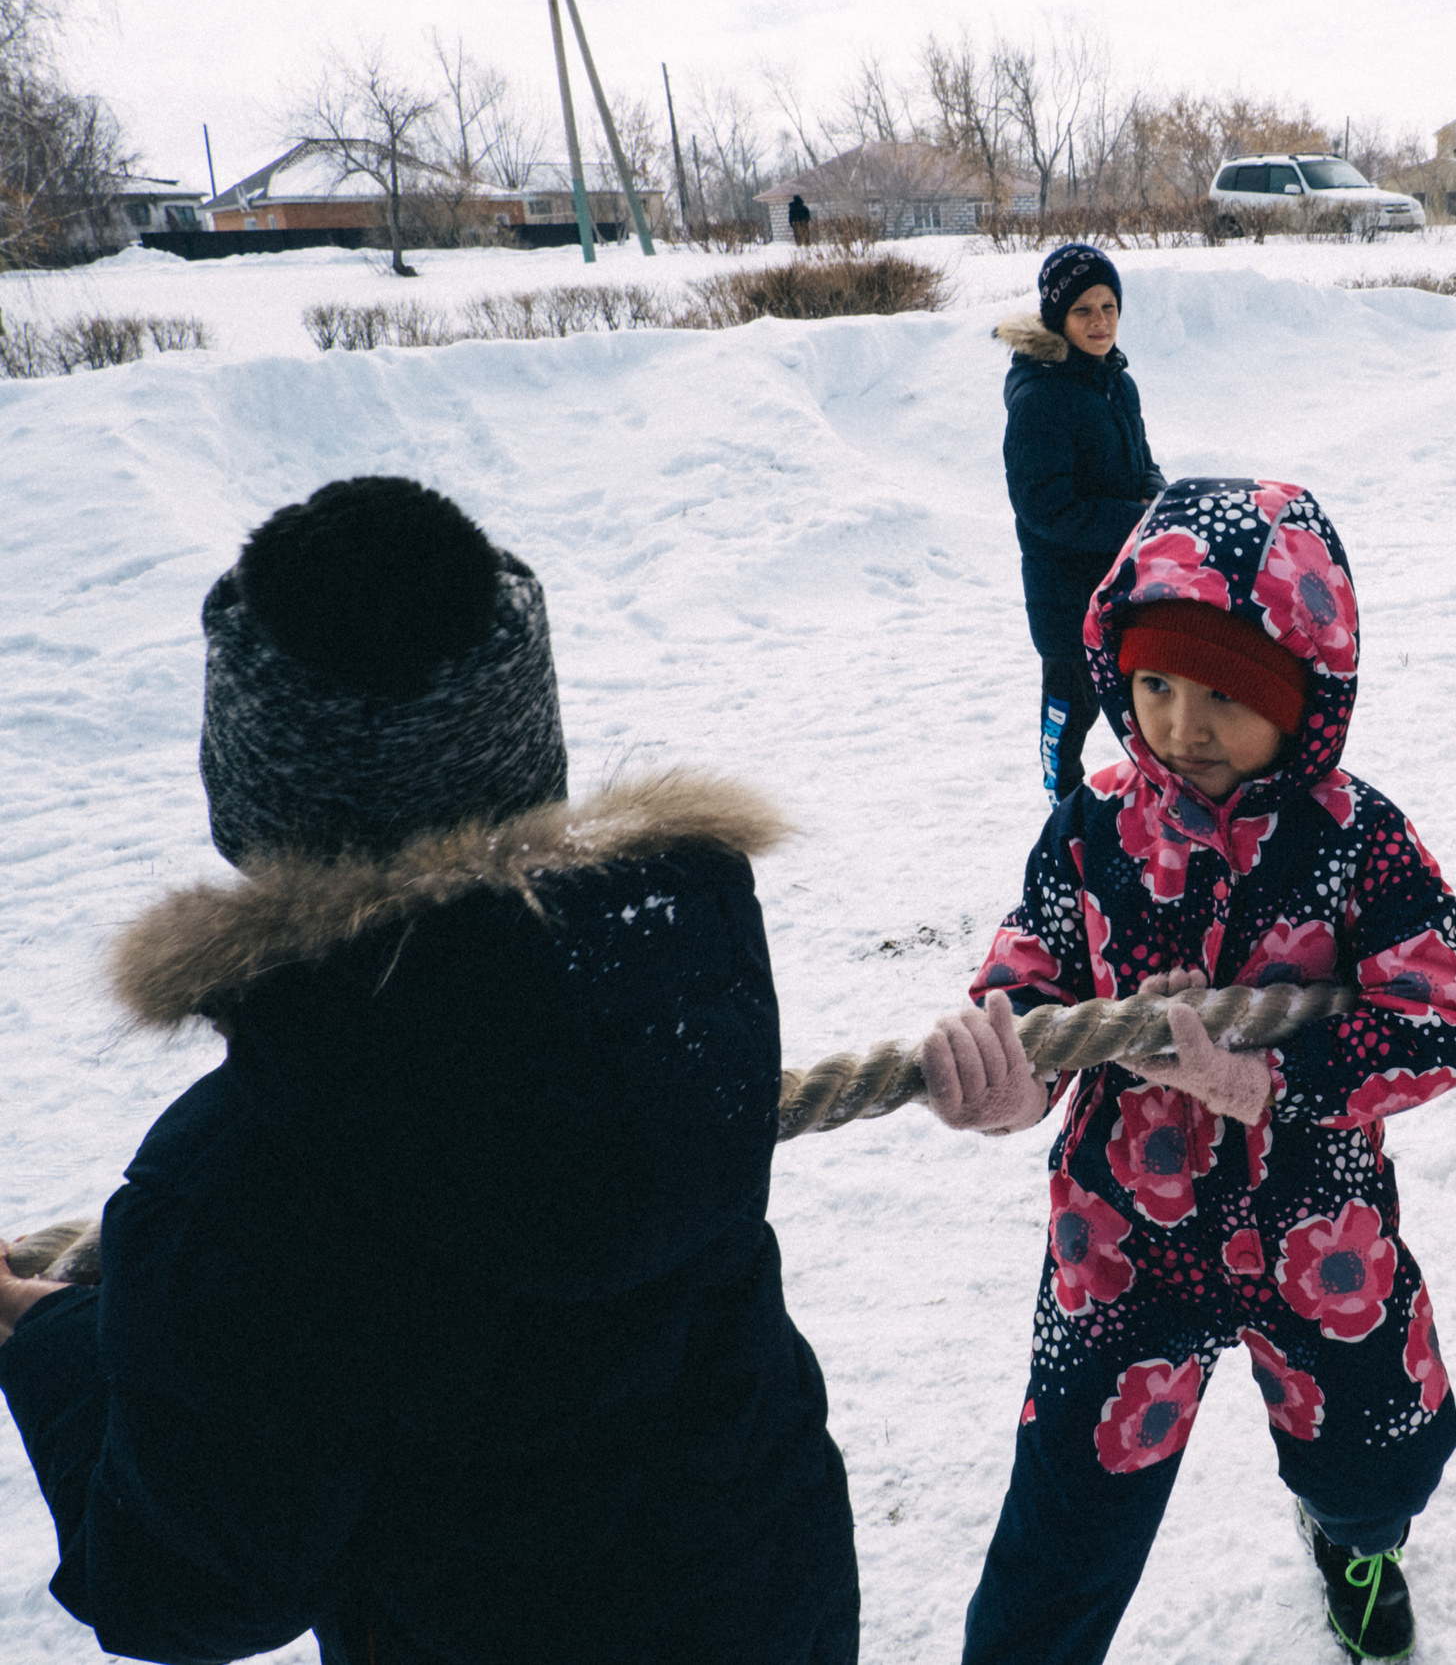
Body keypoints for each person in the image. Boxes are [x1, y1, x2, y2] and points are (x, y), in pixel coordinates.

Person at [0, 478, 859, 1665]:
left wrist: (48, 1339)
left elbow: (191, 1589)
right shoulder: (677, 978)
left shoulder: (232, 1184)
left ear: (247, 783)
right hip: (773, 1603)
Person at [922, 477, 1456, 1664]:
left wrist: (1267, 1076)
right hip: (1121, 1232)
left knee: (1378, 1467)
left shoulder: (1357, 839)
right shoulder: (1091, 828)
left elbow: (1448, 1016)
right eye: (1155, 686)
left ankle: (1353, 1542)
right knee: (1066, 1518)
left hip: (1316, 1221)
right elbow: (1032, 968)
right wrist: (1014, 1065)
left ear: (1304, 698)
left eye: (1225, 695)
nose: (1182, 724)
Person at [998, 242, 1165, 800]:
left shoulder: (1116, 380)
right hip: (1066, 593)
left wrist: (1156, 498)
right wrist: (1136, 522)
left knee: (1144, 698)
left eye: (1109, 307)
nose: (1100, 322)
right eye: (1083, 310)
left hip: (1124, 581)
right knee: (1072, 710)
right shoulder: (1039, 398)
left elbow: (1142, 462)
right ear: (1057, 318)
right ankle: (1062, 802)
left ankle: (1153, 800)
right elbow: (1045, 507)